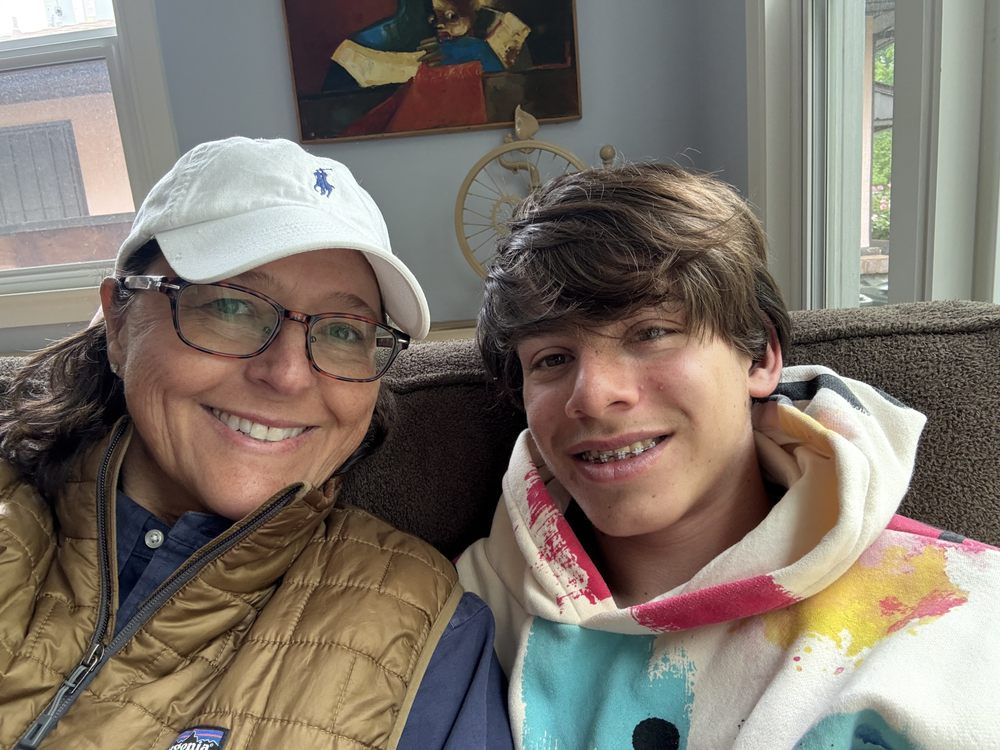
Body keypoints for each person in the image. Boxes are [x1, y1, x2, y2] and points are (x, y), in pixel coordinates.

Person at [456, 163, 1000, 749]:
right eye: (553, 359)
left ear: (761, 356)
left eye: (651, 332)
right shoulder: (464, 607)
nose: (591, 395)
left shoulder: (955, 615)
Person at [0, 137, 511, 749]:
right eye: (233, 306)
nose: (289, 374)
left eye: (344, 329)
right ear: (117, 322)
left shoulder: (428, 625)